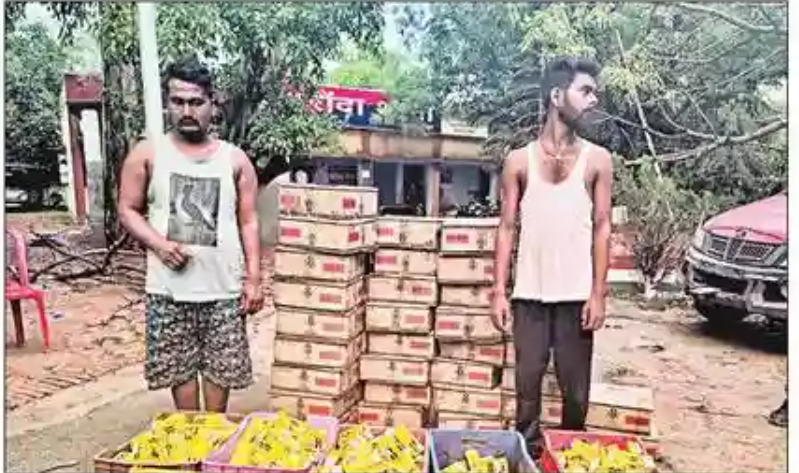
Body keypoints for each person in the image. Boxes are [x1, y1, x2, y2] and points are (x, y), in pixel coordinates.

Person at [118, 57, 264, 412]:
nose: (186, 111)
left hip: (224, 292)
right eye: (178, 101)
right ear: (167, 103)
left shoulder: (235, 160)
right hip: (168, 291)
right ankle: (189, 445)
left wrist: (254, 279)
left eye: (196, 102)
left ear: (213, 104)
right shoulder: (147, 154)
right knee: (181, 387)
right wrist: (159, 245)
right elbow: (127, 209)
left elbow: (248, 221)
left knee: (218, 392)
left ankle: (211, 444)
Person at [491, 56, 613, 457]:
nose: (594, 100)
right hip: (529, 297)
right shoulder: (518, 160)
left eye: (595, 92)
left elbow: (602, 227)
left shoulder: (598, 160)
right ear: (557, 96)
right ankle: (526, 460)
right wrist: (498, 291)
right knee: (527, 394)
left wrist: (598, 293)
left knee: (575, 396)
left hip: (576, 298)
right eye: (586, 91)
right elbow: (506, 227)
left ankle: (568, 459)